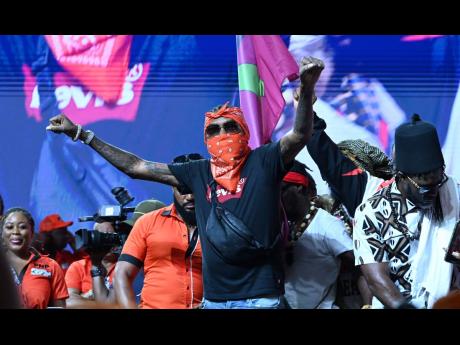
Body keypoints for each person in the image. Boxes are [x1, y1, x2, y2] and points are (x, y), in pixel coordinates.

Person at [46, 56, 324, 309]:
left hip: (261, 298)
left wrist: (307, 86)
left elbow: (299, 134)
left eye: (230, 127)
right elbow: (135, 166)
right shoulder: (198, 171)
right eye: (214, 130)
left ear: (244, 132)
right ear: (206, 140)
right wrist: (82, 134)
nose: (222, 134)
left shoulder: (263, 161)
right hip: (215, 301)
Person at [353, 114, 460, 308]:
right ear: (401, 177)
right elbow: (376, 279)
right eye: (425, 187)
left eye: (438, 183)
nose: (435, 192)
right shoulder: (371, 212)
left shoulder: (454, 193)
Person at [115, 154, 202, 309]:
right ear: (171, 185)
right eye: (182, 188)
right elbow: (122, 274)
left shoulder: (220, 224)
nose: (189, 196)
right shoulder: (147, 222)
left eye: (194, 188)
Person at [281, 161, 370, 308]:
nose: (277, 197)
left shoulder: (327, 225)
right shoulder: (285, 226)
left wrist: (368, 305)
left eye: (281, 190)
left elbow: (362, 266)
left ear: (299, 188)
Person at [1, 208, 68, 308]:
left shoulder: (51, 266)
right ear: (1, 234)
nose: (15, 232)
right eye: (9, 227)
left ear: (32, 233)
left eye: (22, 227)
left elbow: (60, 307)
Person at [65, 221, 119, 308]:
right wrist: (107, 305)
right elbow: (68, 302)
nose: (105, 241)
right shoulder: (78, 267)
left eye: (109, 236)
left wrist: (84, 298)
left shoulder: (125, 266)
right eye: (101, 236)